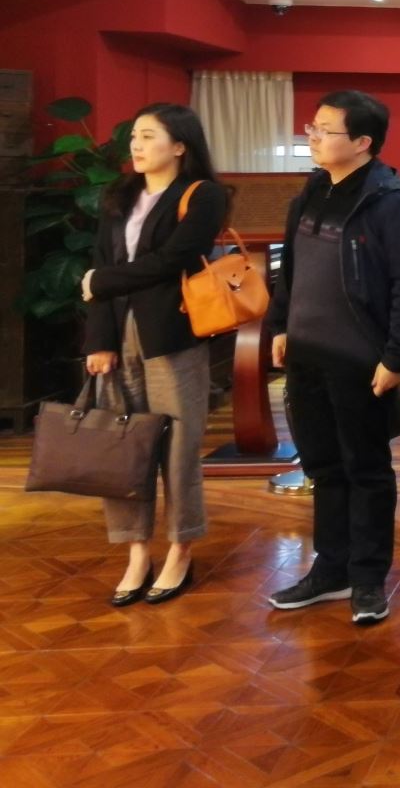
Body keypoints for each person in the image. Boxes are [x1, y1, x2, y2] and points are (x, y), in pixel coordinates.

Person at [265, 90, 400, 626]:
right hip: (307, 355)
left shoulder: (388, 201)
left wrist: (397, 357)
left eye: (325, 130)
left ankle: (367, 578)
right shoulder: (313, 189)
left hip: (359, 360)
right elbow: (291, 268)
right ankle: (331, 569)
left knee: (366, 470)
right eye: (312, 127)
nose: (313, 137)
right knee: (323, 467)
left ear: (362, 142)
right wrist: (280, 324)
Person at [81, 103, 228, 607]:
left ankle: (180, 549)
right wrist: (99, 340)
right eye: (134, 137)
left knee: (179, 448)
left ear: (180, 145)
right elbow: (100, 265)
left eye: (148, 136)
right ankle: (137, 552)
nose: (136, 146)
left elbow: (172, 261)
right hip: (118, 335)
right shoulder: (119, 195)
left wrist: (102, 281)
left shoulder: (202, 195)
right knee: (125, 448)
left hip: (173, 336)